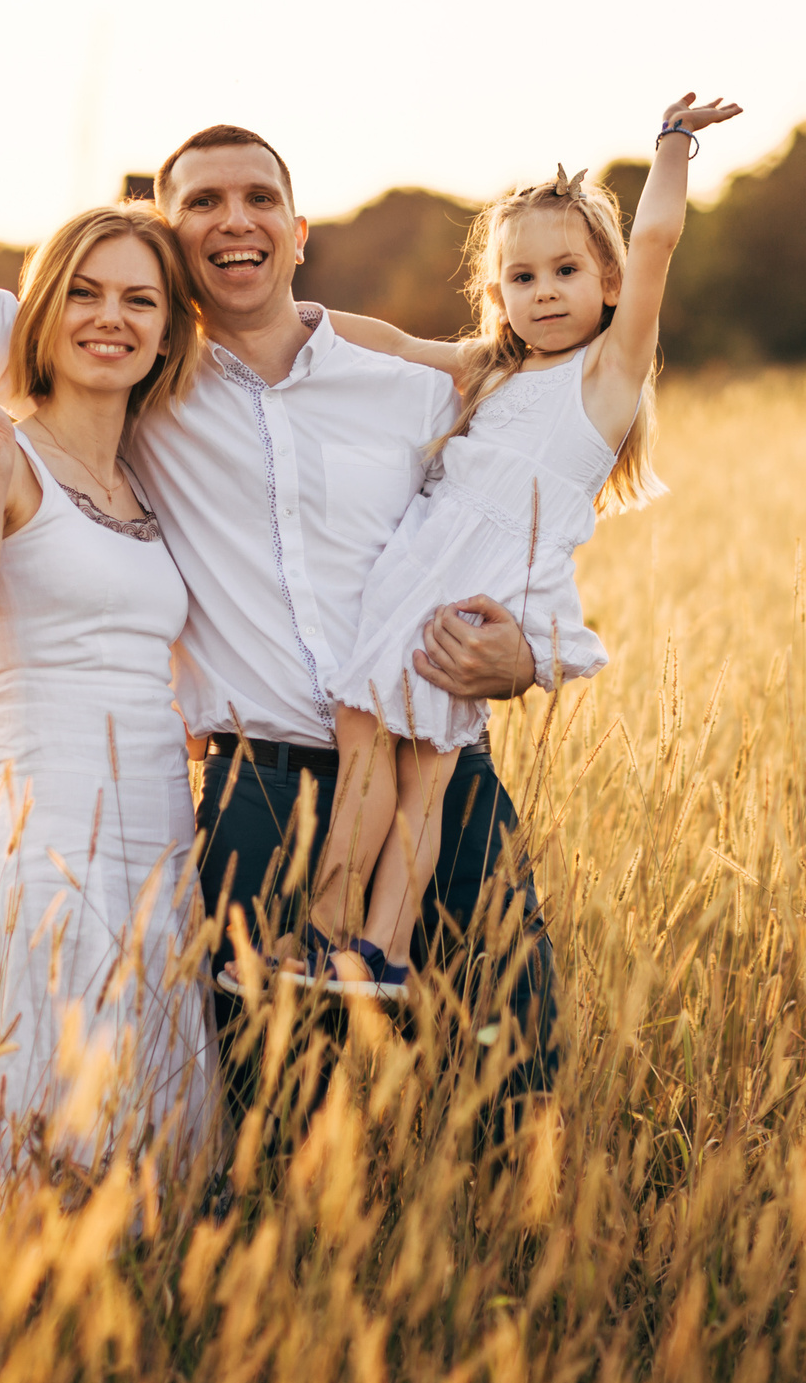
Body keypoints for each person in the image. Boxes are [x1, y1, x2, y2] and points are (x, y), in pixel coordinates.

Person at [0, 54, 561, 1122]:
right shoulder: (127, 371)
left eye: (259, 198)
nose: (236, 219)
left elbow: (534, 499)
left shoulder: (400, 380)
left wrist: (527, 651)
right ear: (173, 241)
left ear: (297, 230)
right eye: (204, 203)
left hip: (434, 781)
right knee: (274, 1130)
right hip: (258, 799)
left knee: (513, 1091)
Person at [296, 95, 743, 999]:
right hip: (419, 566)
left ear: (608, 282)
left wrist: (672, 147)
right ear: (498, 293)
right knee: (385, 752)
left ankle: (355, 941)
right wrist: (288, 316)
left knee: (404, 763)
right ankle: (359, 948)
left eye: (566, 271)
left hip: (477, 587)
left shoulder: (606, 375)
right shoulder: (491, 368)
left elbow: (656, 240)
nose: (544, 291)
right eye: (522, 277)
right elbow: (393, 343)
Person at [0, 199, 217, 1170]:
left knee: (144, 1179)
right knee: (32, 1164)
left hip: (161, 856)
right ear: (43, 310)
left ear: (167, 331)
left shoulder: (148, 480)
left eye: (138, 299)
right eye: (83, 293)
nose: (110, 317)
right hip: (52, 857)